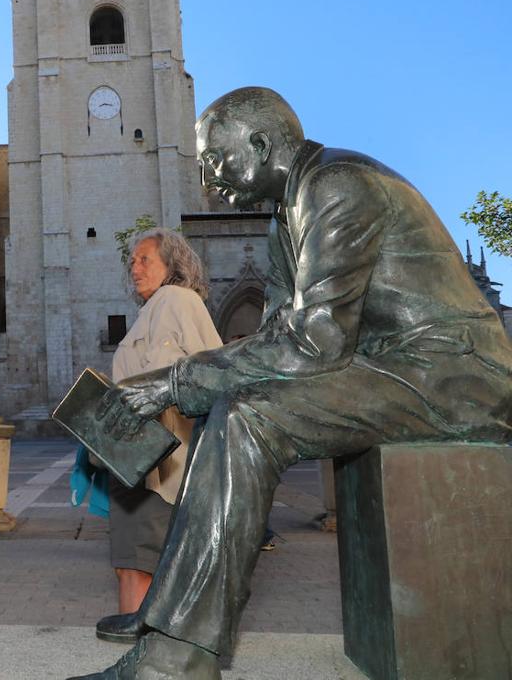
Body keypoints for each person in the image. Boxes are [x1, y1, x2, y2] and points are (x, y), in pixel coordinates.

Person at [77, 86, 512, 680]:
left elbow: (317, 341)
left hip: (452, 374)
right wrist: (184, 384)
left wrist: (175, 383)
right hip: (394, 365)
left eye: (215, 161)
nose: (208, 178)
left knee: (250, 417)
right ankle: (170, 615)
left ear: (260, 145)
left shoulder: (337, 184)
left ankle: (178, 657)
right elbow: (276, 336)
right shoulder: (285, 218)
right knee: (227, 405)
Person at [72, 229, 221, 631]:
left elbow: (212, 373)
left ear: (172, 266)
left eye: (144, 260)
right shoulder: (151, 310)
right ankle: (141, 656)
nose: (134, 268)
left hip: (158, 467)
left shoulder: (177, 300)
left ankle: (138, 658)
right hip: (133, 464)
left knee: (138, 567)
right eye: (132, 262)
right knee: (130, 566)